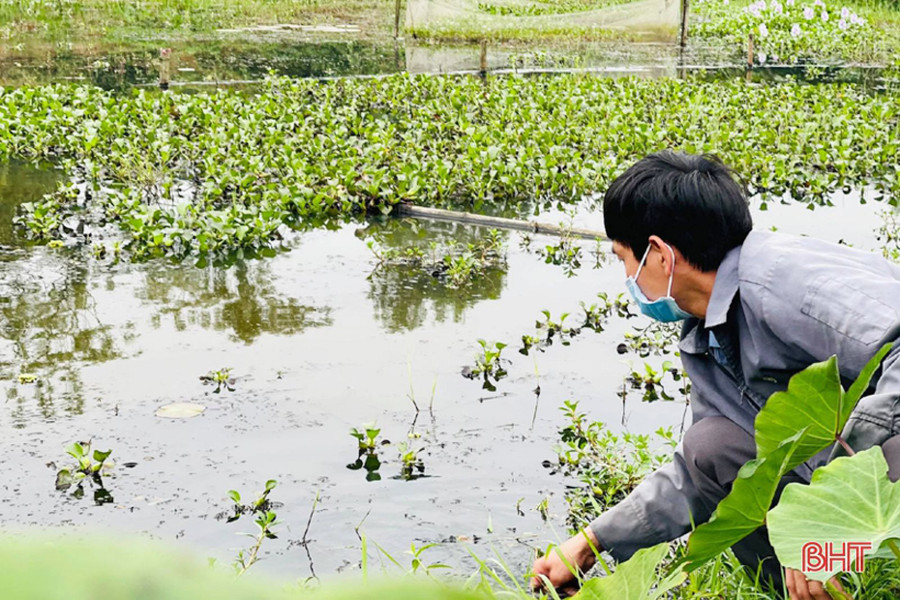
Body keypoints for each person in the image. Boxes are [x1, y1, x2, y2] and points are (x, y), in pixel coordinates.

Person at [531, 151, 900, 600]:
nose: (626, 276)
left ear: (661, 255)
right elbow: (696, 473)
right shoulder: (704, 333)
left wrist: (830, 514)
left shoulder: (781, 282)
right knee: (712, 447)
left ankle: (853, 572)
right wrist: (591, 542)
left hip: (878, 474)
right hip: (854, 485)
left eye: (624, 259)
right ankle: (802, 591)